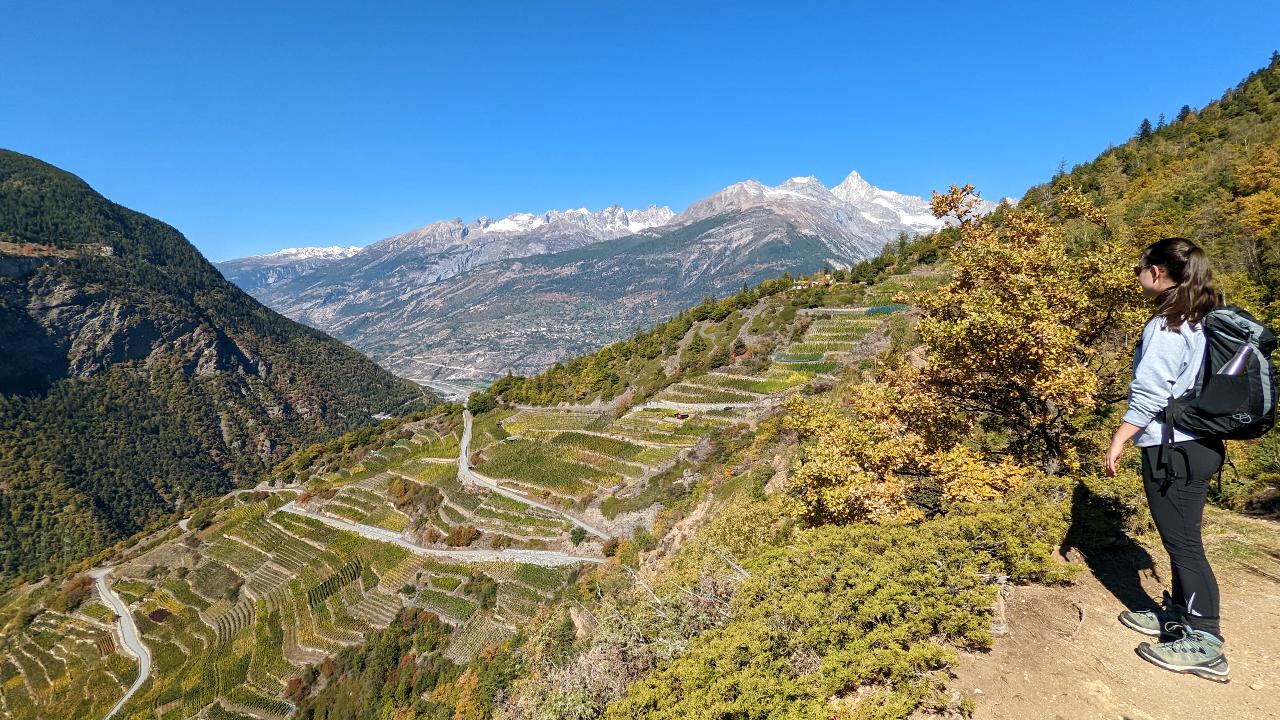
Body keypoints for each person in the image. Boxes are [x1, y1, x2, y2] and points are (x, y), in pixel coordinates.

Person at [1103, 237, 1230, 683]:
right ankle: (1178, 617)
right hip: (1201, 444)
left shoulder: (1168, 324)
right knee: (1183, 538)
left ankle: (1206, 640)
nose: (1139, 276)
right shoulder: (1204, 318)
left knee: (1184, 544)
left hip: (1172, 449)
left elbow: (1152, 390)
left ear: (1156, 272)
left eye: (1141, 269)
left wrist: (1121, 437)